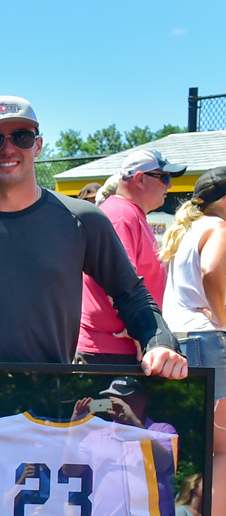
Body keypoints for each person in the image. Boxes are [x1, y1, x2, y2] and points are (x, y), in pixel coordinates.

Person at [0, 96, 185, 377]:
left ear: (38, 145)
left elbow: (131, 294)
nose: (8, 149)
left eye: (21, 137)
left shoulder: (83, 220)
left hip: (49, 404)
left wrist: (159, 342)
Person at [160, 166, 226, 516]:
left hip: (182, 340)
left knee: (199, 447)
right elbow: (213, 269)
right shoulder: (217, 227)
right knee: (222, 453)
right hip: (208, 338)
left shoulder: (186, 229)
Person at [77, 148, 185, 363]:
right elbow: (117, 281)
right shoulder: (121, 214)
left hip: (117, 347)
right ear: (140, 179)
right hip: (110, 349)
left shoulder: (130, 213)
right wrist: (141, 331)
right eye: (164, 177)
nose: (170, 185)